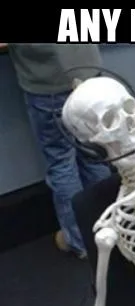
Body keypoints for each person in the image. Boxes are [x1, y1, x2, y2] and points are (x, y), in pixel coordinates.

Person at [7, 44, 111, 259]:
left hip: (49, 85)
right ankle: (110, 227)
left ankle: (80, 240)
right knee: (95, 153)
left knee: (61, 162)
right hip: (89, 73)